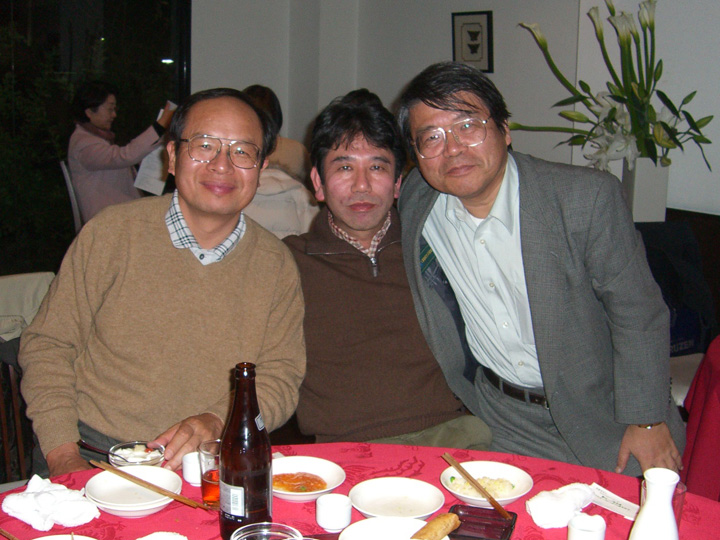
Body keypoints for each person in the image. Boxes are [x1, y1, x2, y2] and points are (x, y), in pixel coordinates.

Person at [396, 62, 685, 476]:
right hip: (500, 419)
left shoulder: (584, 199)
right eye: (431, 138)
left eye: (468, 126)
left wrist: (647, 420)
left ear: (505, 129)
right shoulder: (417, 201)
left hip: (609, 417)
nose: (453, 149)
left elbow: (638, 312)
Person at [19, 88, 306, 477]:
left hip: (210, 464)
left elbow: (281, 377)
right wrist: (62, 454)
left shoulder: (276, 264)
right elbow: (48, 345)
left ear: (261, 166)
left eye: (242, 151)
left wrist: (217, 420)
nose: (222, 165)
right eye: (204, 146)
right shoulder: (110, 235)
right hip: (93, 453)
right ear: (172, 156)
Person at [283, 89, 491, 448]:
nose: (362, 185)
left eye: (377, 167)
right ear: (318, 183)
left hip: (453, 436)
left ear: (397, 184)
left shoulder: (434, 248)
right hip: (347, 450)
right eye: (344, 167)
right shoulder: (289, 263)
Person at [68, 81, 175, 221]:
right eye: (109, 109)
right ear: (89, 112)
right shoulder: (84, 143)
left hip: (120, 214)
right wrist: (160, 125)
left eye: (114, 109)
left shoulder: (97, 139)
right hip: (106, 220)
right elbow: (124, 156)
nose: (114, 115)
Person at [242, 84, 318, 238]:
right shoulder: (297, 149)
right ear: (277, 116)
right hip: (291, 229)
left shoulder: (239, 150)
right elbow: (312, 194)